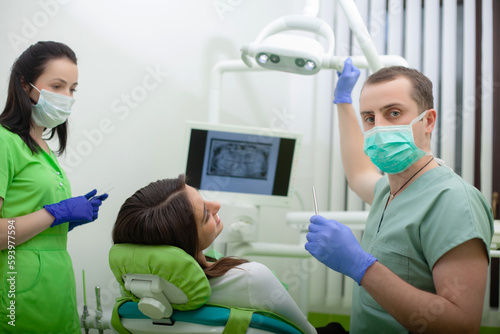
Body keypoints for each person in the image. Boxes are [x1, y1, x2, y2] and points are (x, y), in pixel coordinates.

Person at [305, 58, 493, 333]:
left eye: (393, 113)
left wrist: (362, 268)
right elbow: (359, 174)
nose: (378, 128)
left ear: (428, 121)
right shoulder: (387, 190)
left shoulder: (453, 202)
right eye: (369, 118)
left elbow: (461, 326)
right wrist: (342, 101)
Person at [112, 175, 317, 334]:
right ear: (187, 242)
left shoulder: (135, 286)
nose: (216, 205)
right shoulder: (250, 278)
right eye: (205, 214)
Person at [0, 41, 108, 333]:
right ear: (25, 84)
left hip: (55, 291)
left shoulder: (43, 148)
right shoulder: (4, 141)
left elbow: (28, 221)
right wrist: (56, 213)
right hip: (18, 295)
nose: (66, 97)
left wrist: (63, 222)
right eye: (57, 86)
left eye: (72, 89)